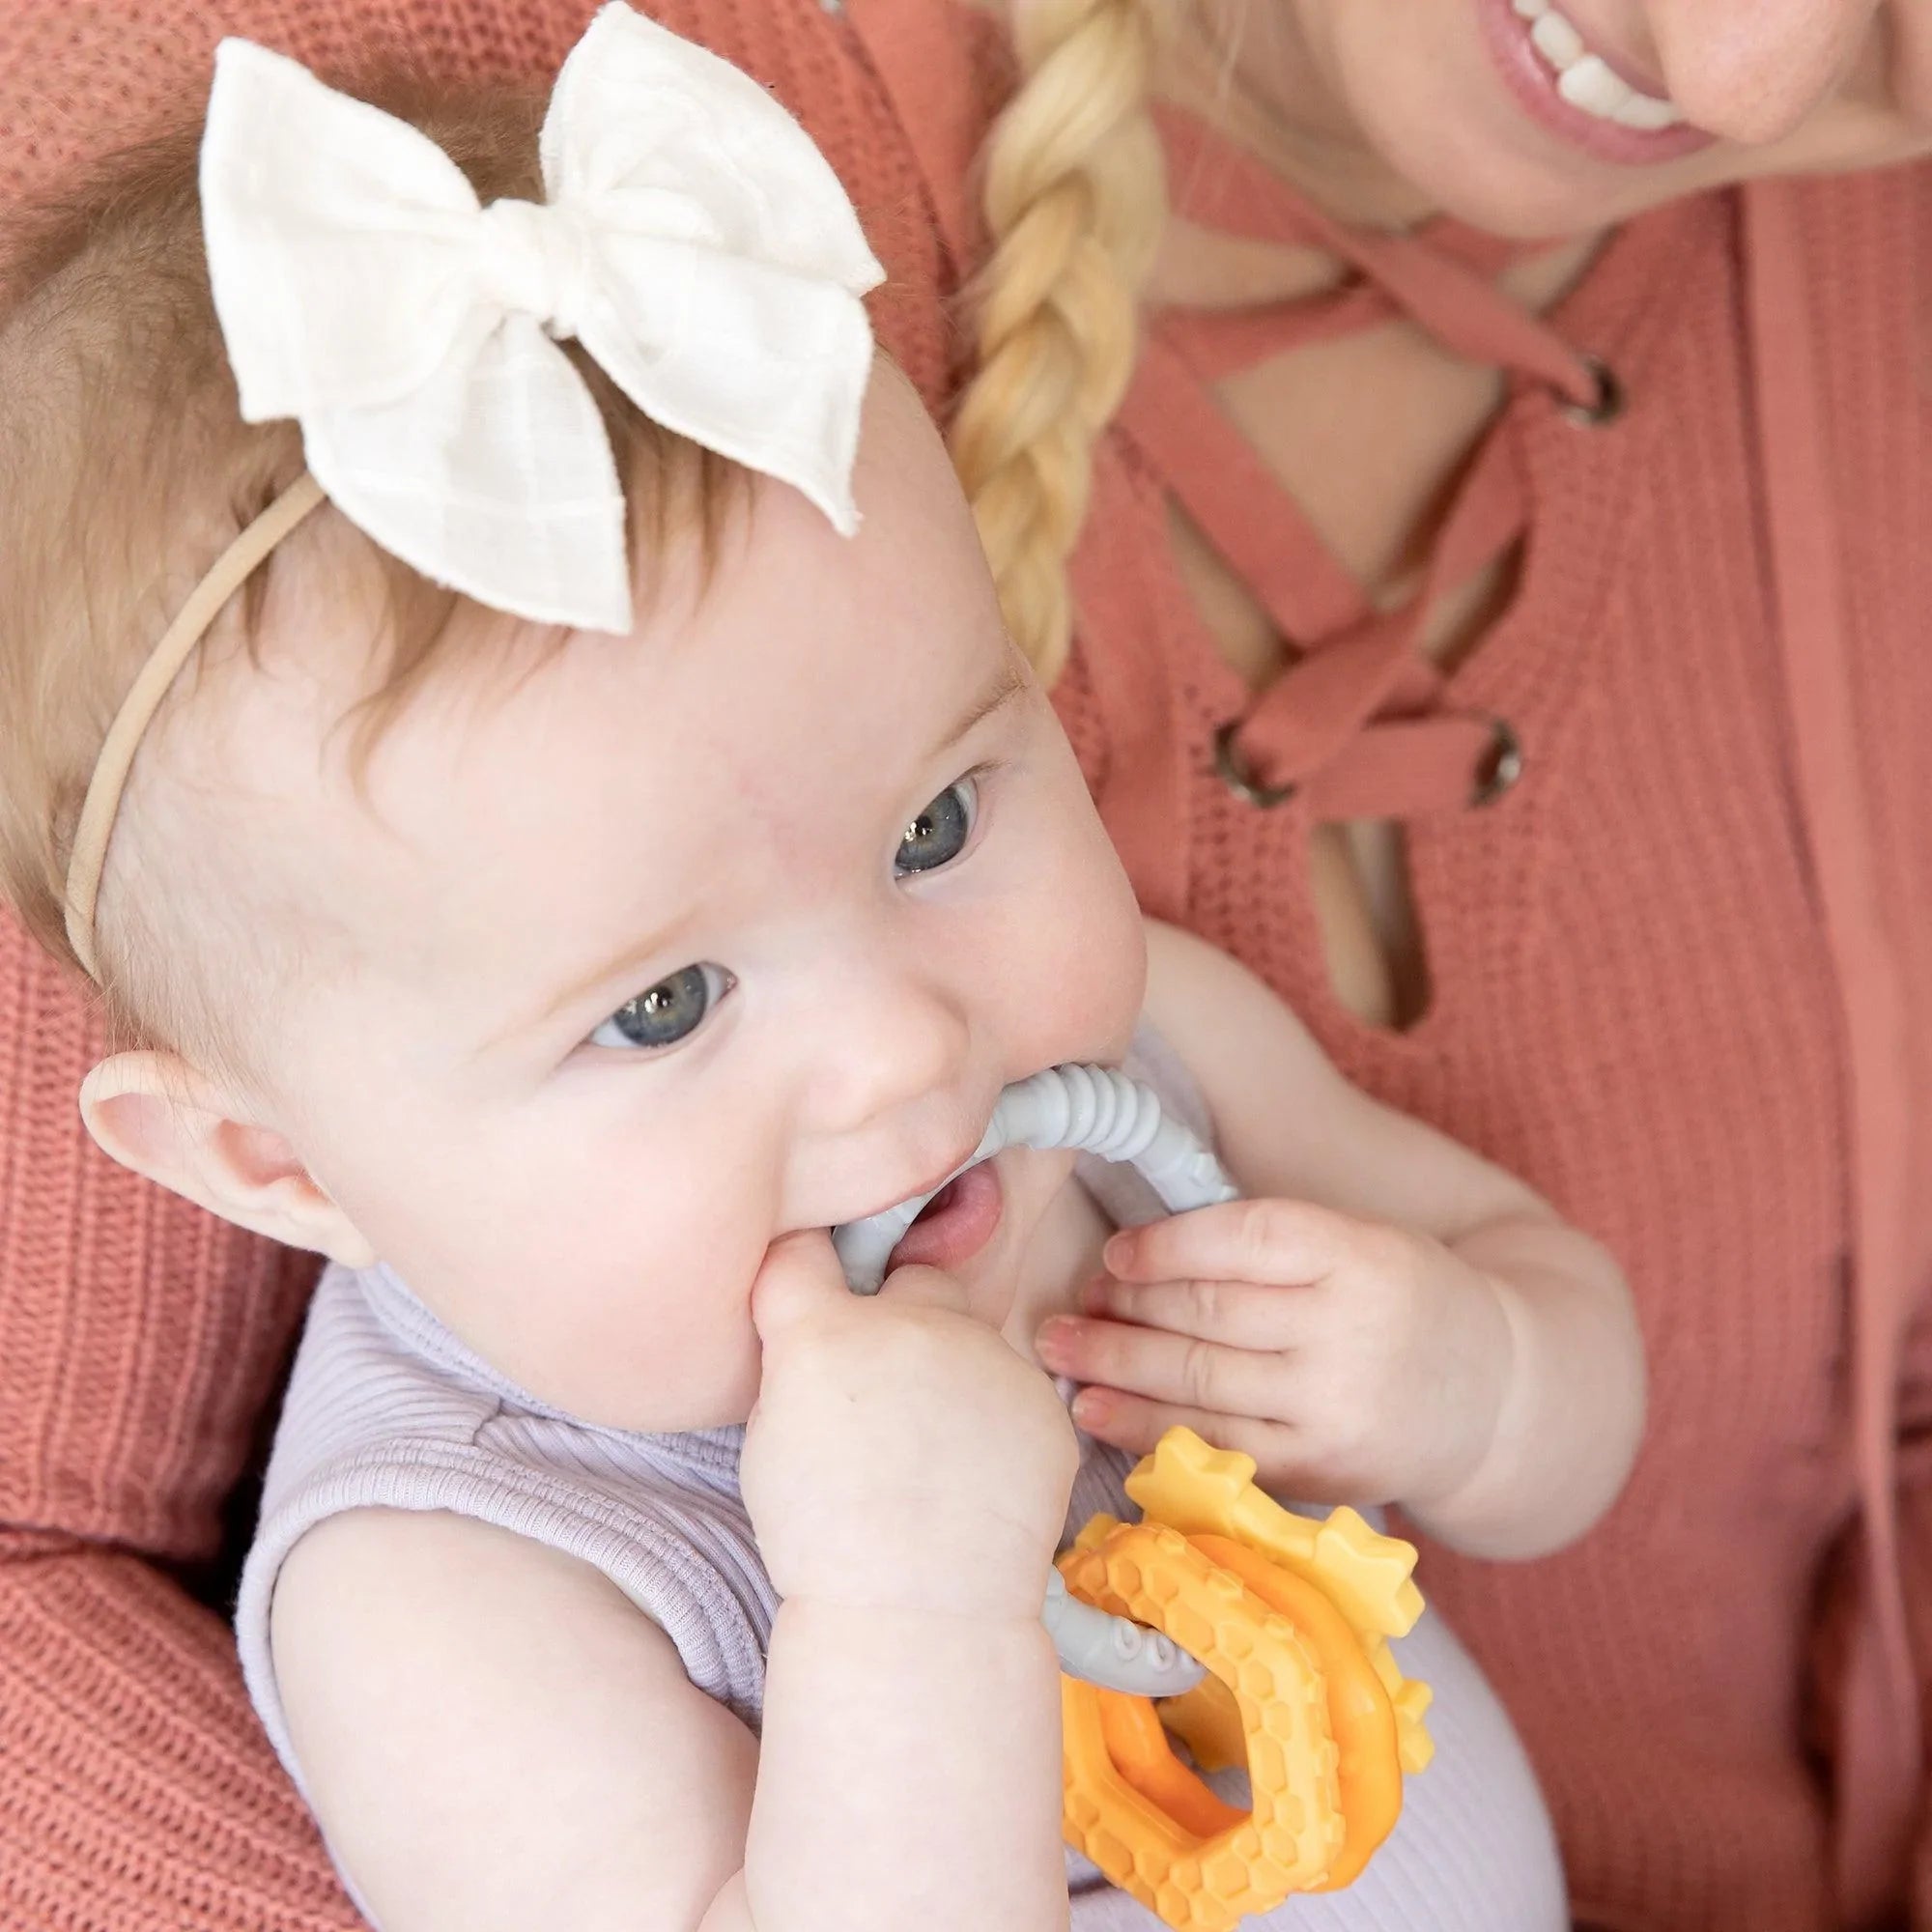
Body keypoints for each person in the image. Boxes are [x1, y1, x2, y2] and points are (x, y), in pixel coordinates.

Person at [0, 0, 1923, 1928]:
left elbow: (1568, 1366)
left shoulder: (1131, 1063)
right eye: (663, 1006)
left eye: (935, 827)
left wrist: (1461, 1374)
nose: (904, 1054)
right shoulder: (457, 1578)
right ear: (281, 1166)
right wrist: (903, 1597)